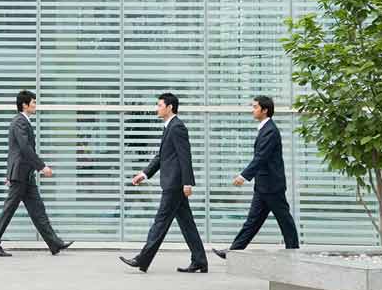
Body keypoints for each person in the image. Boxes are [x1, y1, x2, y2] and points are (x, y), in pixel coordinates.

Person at [119, 93, 208, 273]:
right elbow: (162, 156)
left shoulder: (177, 127)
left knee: (160, 222)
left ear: (169, 107)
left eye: (159, 105)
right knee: (187, 223)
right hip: (172, 183)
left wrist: (187, 183)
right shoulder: (169, 127)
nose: (157, 108)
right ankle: (199, 260)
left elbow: (185, 156)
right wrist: (144, 174)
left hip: (174, 184)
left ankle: (142, 259)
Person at [0, 90, 73, 257]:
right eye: (33, 102)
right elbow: (24, 148)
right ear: (24, 105)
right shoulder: (19, 121)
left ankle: (54, 243)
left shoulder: (23, 121)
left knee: (38, 209)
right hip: (21, 175)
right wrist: (41, 167)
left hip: (25, 174)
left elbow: (14, 150)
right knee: (8, 210)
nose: (35, 105)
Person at [213, 96, 299, 260]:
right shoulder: (265, 129)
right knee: (252, 222)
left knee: (284, 220)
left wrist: (244, 176)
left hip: (272, 186)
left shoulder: (270, 131)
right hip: (264, 185)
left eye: (255, 107)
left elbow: (261, 157)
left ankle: (294, 250)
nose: (252, 110)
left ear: (265, 110)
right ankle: (233, 251)